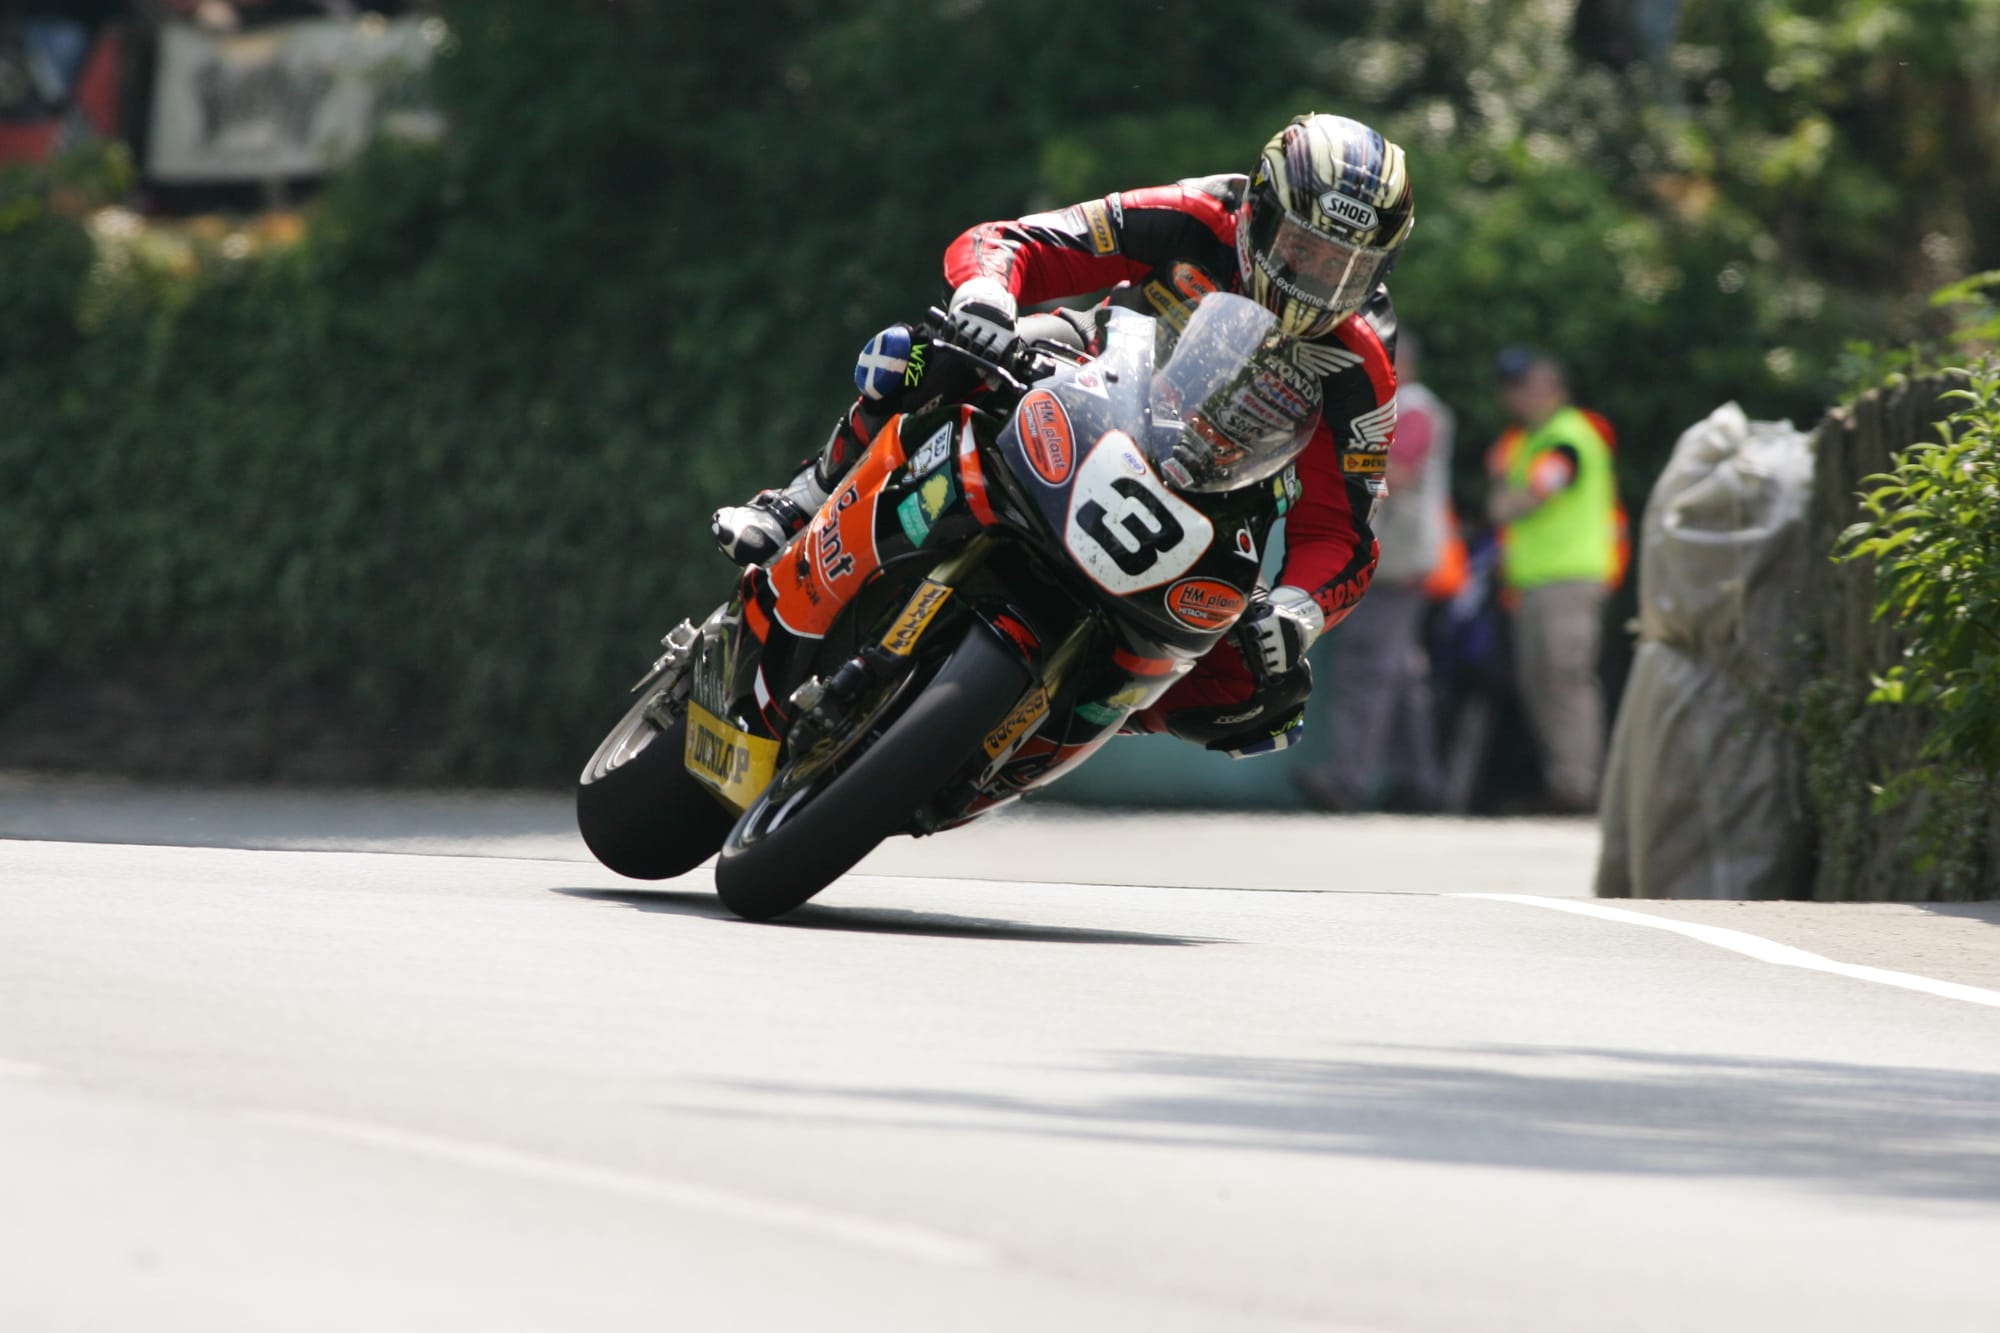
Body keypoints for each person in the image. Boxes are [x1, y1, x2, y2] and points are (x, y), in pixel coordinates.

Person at [712, 113, 1415, 759]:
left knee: (1271, 695)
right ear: (1260, 213)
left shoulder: (1361, 364)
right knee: (923, 355)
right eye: (1306, 248)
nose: (1320, 281)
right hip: (1095, 379)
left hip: (1222, 497)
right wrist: (986, 294)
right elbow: (1018, 242)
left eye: (1348, 266)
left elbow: (1341, 530)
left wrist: (1298, 609)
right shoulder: (1190, 217)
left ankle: (1084, 714)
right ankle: (797, 502)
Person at [1294, 331, 1452, 811]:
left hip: (1393, 562)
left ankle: (1348, 780)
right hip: (1400, 560)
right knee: (1398, 675)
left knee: (1366, 670)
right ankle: (1419, 783)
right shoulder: (1413, 407)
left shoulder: (1412, 408)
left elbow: (1394, 477)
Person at [1484, 347, 1620, 813]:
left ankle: (1578, 786)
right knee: (1543, 683)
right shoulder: (1536, 440)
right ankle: (1566, 781)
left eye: (1529, 387)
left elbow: (1525, 500)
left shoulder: (1566, 439)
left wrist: (1504, 491)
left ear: (1555, 390)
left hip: (1568, 581)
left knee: (1564, 682)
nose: (1518, 397)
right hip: (1541, 583)